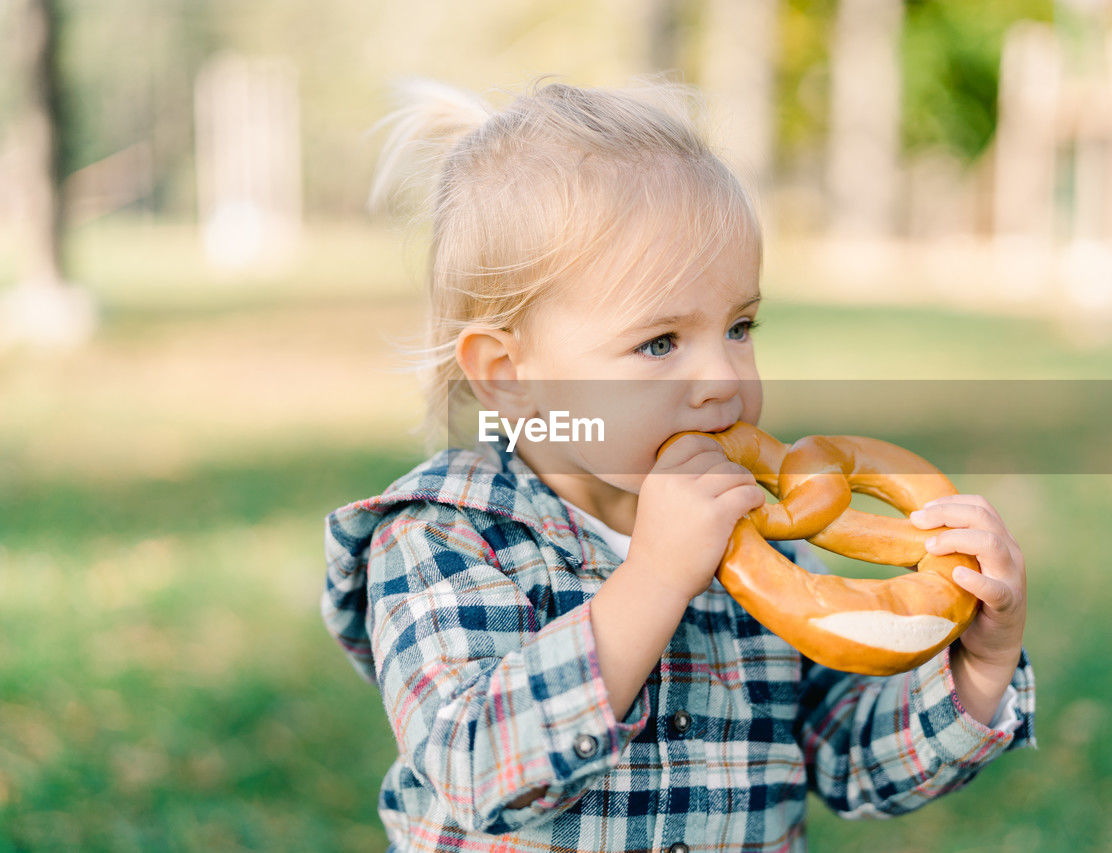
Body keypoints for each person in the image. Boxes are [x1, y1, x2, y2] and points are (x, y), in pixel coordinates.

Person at [322, 78, 1035, 852]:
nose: (724, 378)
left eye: (739, 325)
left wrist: (980, 666)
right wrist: (655, 579)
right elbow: (477, 768)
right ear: (509, 374)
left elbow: (851, 759)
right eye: (659, 343)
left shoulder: (760, 534)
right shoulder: (443, 537)